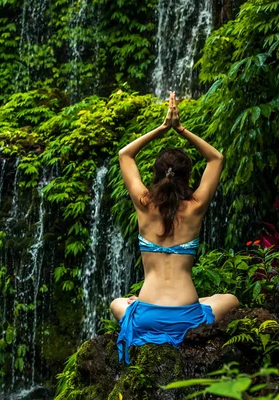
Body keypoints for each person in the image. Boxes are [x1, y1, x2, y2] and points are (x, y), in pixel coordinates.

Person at [111, 91, 239, 364]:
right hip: (187, 317)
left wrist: (162, 127)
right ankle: (192, 304)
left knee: (118, 303)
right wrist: (181, 129)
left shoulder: (144, 204)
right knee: (229, 299)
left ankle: (140, 306)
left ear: (156, 176)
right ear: (188, 175)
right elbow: (216, 158)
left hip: (147, 315)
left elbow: (125, 154)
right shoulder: (196, 206)